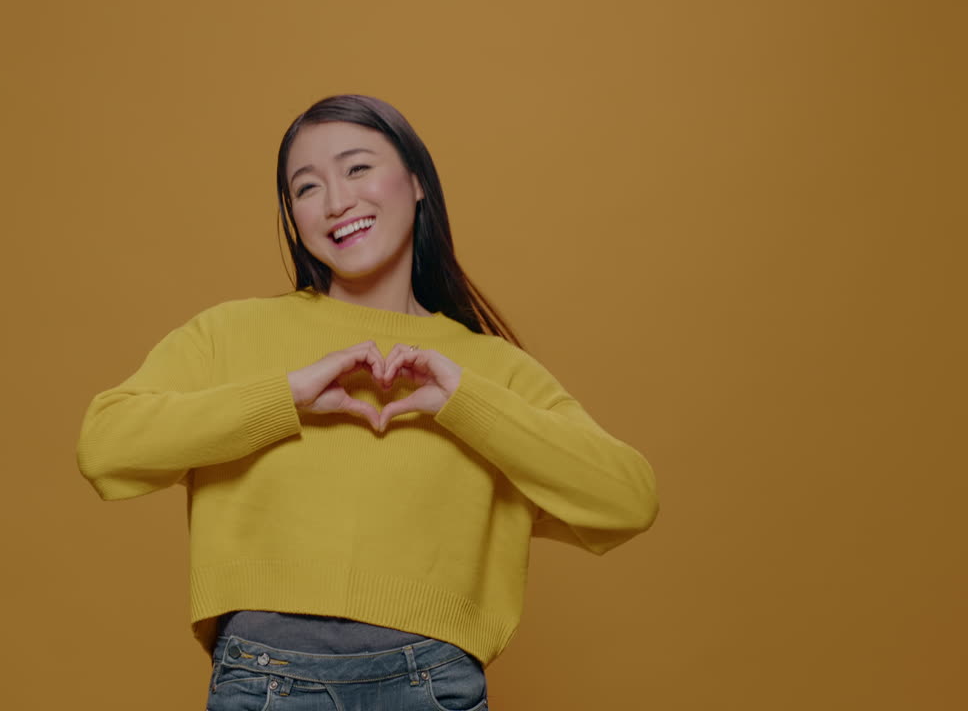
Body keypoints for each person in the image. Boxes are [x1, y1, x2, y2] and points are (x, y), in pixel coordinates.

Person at [76, 94, 658, 710]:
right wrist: (287, 397)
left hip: (433, 685)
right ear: (292, 214)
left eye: (357, 169)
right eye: (306, 187)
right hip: (265, 678)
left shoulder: (488, 372)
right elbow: (106, 445)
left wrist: (462, 402)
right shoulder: (230, 333)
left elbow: (627, 499)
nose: (335, 202)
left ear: (417, 181)